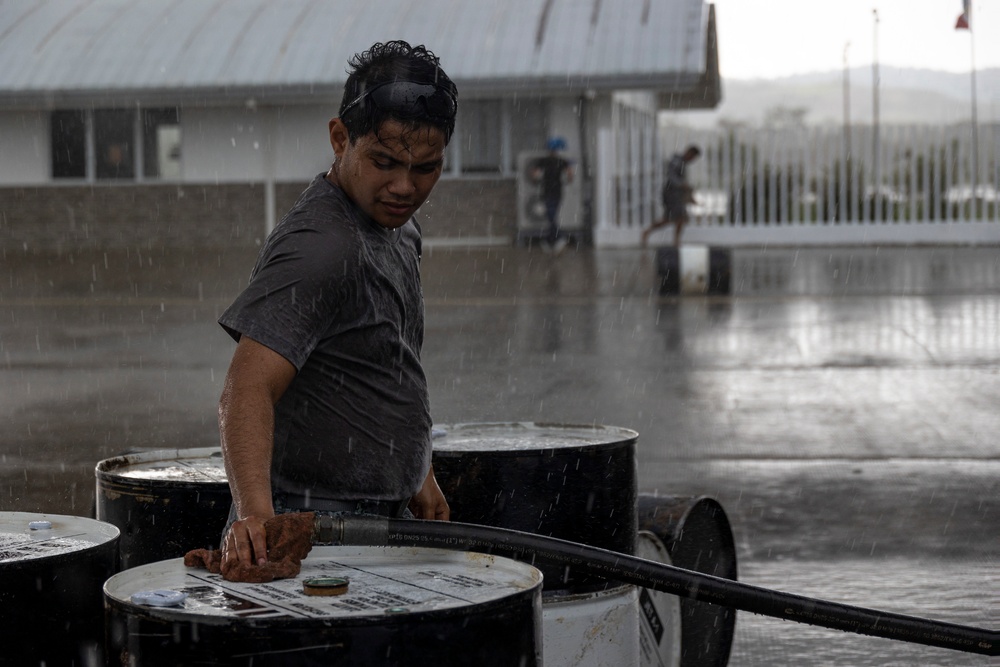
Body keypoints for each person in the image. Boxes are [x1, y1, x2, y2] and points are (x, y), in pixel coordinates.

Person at [217, 41, 457, 571]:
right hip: (311, 522)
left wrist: (418, 470)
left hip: (379, 514)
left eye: (426, 168)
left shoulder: (398, 227)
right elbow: (246, 387)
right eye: (385, 162)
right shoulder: (322, 247)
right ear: (339, 138)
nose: (404, 186)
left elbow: (387, 358)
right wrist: (257, 521)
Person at [642, 144, 701, 247]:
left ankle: (675, 241)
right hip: (671, 195)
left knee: (680, 218)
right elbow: (671, 176)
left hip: (676, 195)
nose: (692, 160)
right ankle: (648, 232)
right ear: (689, 153)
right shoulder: (677, 161)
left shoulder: (682, 163)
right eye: (693, 157)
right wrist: (682, 184)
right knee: (671, 219)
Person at [532, 137, 574, 253]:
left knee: (551, 215)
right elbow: (570, 175)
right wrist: (567, 180)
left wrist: (537, 180)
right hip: (557, 191)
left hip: (547, 190)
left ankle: (552, 239)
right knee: (552, 215)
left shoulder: (543, 161)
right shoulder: (562, 161)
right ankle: (555, 239)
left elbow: (534, 174)